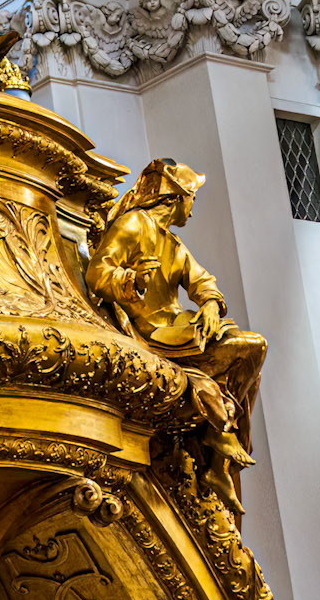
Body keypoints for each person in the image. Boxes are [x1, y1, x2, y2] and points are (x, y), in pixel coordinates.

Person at [85, 158, 265, 509]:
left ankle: (219, 448)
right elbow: (96, 273)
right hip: (153, 332)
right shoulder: (133, 225)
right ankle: (221, 442)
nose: (192, 209)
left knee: (251, 356)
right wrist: (130, 281)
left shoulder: (172, 244)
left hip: (179, 327)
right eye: (191, 198)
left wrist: (211, 304)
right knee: (250, 351)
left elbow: (201, 281)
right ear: (176, 197)